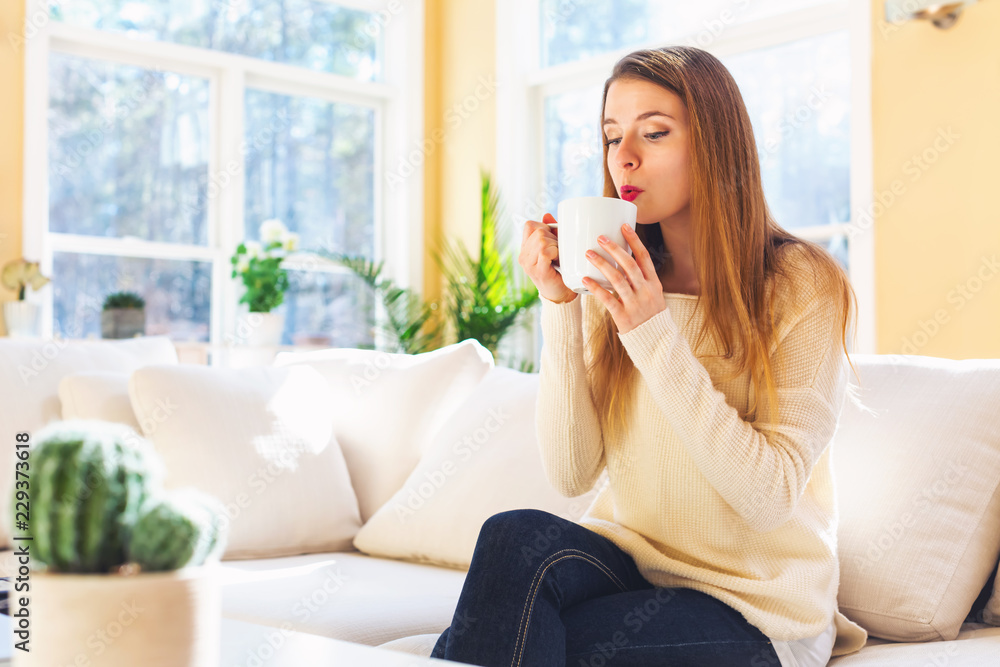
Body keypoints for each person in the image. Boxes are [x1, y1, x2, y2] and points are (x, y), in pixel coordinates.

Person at [430, 45, 869, 667]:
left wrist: (651, 330)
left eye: (654, 133)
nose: (624, 158)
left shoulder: (801, 286)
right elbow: (572, 473)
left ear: (716, 147)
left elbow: (769, 497)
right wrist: (560, 305)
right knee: (512, 537)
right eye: (612, 138)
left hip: (752, 608)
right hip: (629, 567)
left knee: (505, 640)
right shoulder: (618, 278)